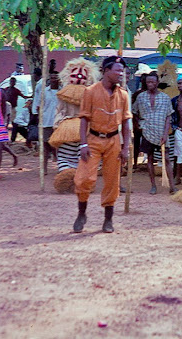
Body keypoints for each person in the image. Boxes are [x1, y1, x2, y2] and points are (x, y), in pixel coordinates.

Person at [72, 56, 131, 233]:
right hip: (93, 140)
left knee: (112, 181)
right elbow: (84, 119)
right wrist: (83, 144)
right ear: (106, 71)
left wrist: (126, 147)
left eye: (123, 71)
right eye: (117, 71)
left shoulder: (123, 94)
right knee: (84, 179)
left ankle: (108, 220)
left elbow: (127, 122)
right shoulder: (90, 91)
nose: (121, 74)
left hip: (114, 141)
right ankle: (81, 214)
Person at [132, 71, 176, 195]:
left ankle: (172, 186)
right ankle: (153, 186)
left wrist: (166, 133)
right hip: (147, 132)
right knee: (150, 159)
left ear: (157, 82)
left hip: (161, 131)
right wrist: (139, 125)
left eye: (152, 82)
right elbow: (134, 112)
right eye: (148, 82)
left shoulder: (165, 97)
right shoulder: (141, 97)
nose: (150, 84)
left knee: (167, 158)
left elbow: (168, 116)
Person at [33, 71, 60, 175]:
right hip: (46, 122)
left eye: (55, 78)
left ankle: (60, 166)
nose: (54, 80)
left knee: (57, 146)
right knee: (45, 146)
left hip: (58, 123)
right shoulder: (44, 92)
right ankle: (44, 169)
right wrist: (39, 119)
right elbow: (39, 106)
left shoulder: (62, 92)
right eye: (52, 78)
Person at [131, 73, 148, 169]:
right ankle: (135, 163)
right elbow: (134, 110)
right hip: (138, 121)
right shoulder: (137, 93)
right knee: (136, 143)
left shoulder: (154, 93)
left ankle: (149, 162)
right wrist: (136, 122)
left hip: (149, 123)